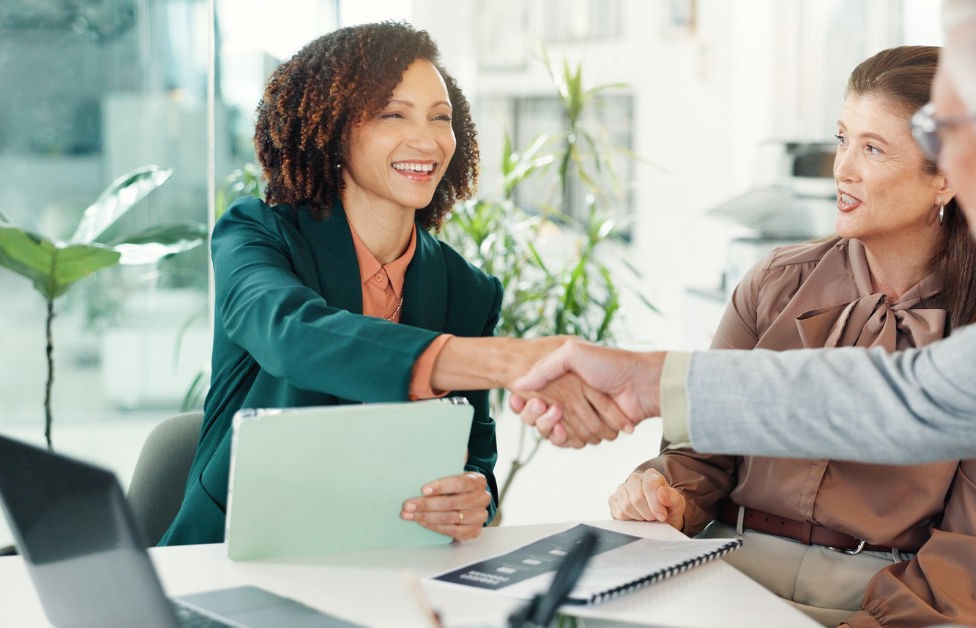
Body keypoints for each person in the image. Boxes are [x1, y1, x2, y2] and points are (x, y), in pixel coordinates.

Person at [512, 0, 976, 626]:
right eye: (843, 139)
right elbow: (895, 400)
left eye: (947, 133)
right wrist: (647, 382)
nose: (842, 168)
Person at [159, 21, 627, 547]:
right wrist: (513, 359)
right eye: (393, 114)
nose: (426, 139)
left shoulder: (465, 289)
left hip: (384, 561)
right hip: (227, 557)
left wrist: (475, 494)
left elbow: (474, 454)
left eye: (440, 118)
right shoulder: (259, 235)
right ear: (335, 129)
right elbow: (291, 334)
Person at [607, 46, 976, 628]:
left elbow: (969, 552)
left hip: (881, 600)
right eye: (842, 138)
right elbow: (699, 454)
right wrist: (664, 491)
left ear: (946, 177)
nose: (841, 168)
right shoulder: (773, 282)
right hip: (725, 571)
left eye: (872, 148)